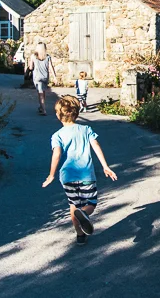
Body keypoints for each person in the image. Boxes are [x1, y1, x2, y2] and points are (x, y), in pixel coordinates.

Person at [42, 96, 117, 246]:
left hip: (67, 176)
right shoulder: (85, 129)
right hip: (86, 175)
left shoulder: (57, 135)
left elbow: (56, 154)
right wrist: (105, 166)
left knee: (73, 205)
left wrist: (51, 175)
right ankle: (85, 213)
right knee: (90, 203)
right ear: (76, 113)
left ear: (58, 115)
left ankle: (80, 235)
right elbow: (96, 146)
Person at [28, 43, 57, 116]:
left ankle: (43, 110)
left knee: (40, 94)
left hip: (37, 78)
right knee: (43, 92)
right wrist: (54, 77)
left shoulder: (33, 56)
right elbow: (50, 67)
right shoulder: (47, 57)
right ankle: (41, 107)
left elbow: (31, 68)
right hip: (45, 77)